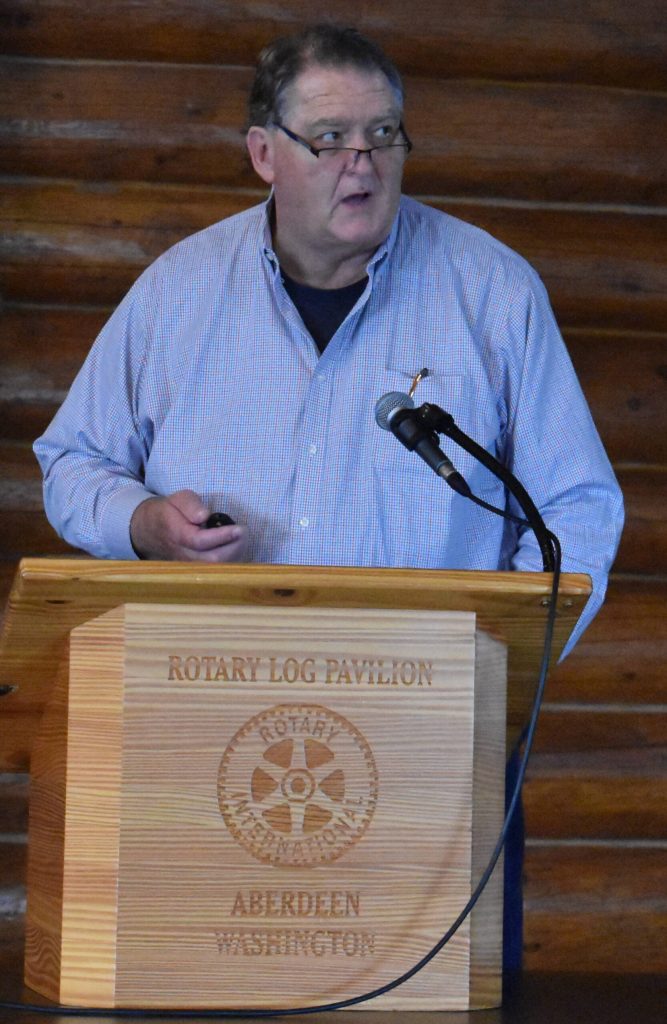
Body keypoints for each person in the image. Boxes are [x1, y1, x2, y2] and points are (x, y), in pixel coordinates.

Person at [33, 24, 624, 970]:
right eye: (332, 138)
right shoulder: (177, 293)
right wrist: (141, 524)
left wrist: (504, 672)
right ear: (263, 152)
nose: (363, 163)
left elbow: (578, 509)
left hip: (430, 739)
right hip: (208, 739)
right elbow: (72, 460)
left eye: (384, 135)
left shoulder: (490, 293)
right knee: (206, 984)